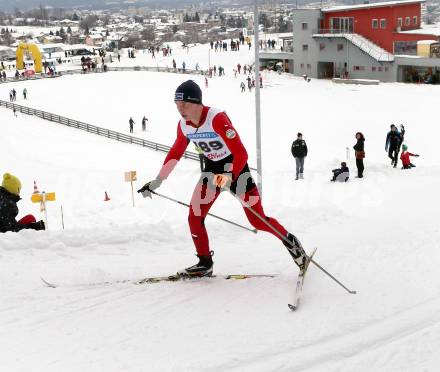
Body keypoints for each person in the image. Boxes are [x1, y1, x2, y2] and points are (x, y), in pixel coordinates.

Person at [137, 80, 307, 277]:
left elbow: (241, 154)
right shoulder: (184, 125)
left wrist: (229, 176)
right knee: (195, 216)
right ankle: (204, 263)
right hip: (213, 171)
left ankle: (291, 243)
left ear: (197, 103)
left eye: (185, 105)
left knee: (257, 220)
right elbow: (175, 153)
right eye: (177, 105)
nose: (180, 109)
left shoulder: (216, 118)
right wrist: (158, 181)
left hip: (236, 168)